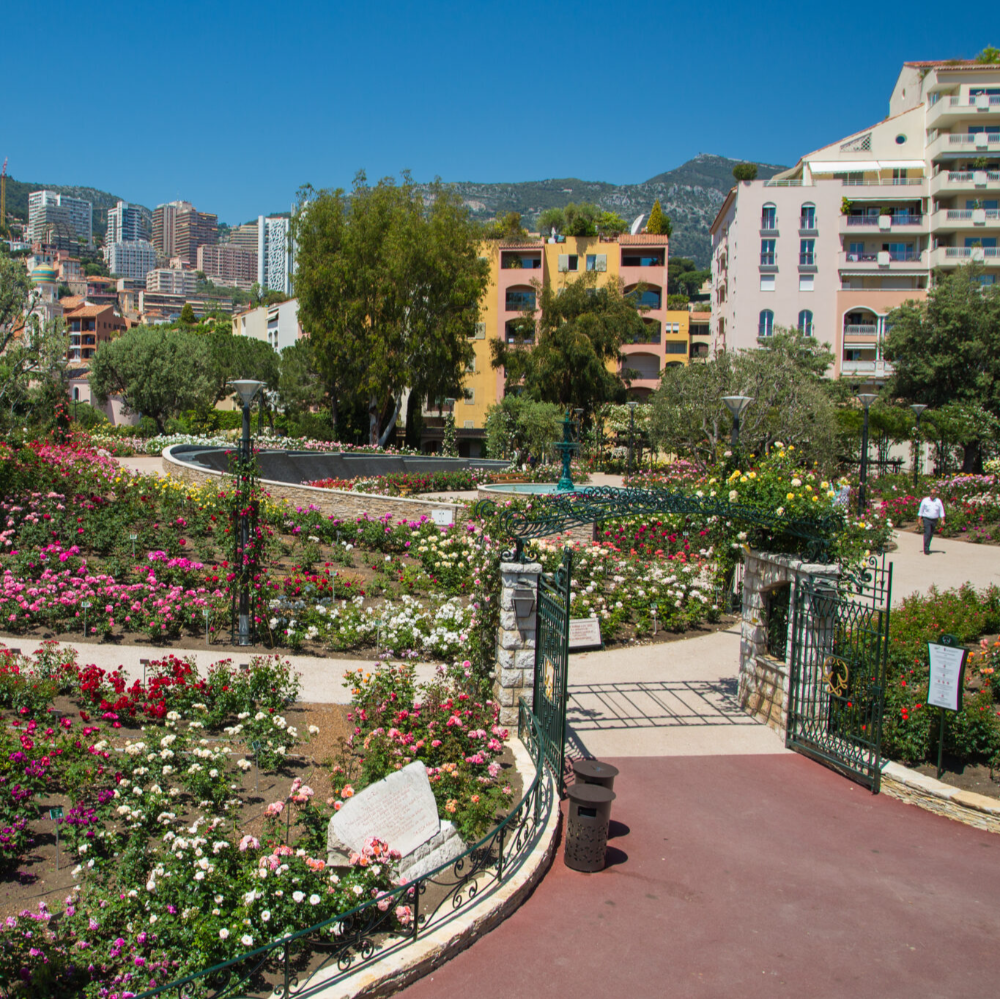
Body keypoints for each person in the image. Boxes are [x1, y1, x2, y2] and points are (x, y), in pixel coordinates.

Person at [918, 487, 945, 555]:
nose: (932, 495)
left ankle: (927, 546)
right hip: (926, 519)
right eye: (931, 493)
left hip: (934, 519)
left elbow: (941, 511)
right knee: (927, 533)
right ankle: (926, 549)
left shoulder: (938, 501)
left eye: (933, 493)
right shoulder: (925, 500)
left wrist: (943, 520)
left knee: (931, 534)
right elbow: (921, 510)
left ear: (935, 494)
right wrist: (919, 519)